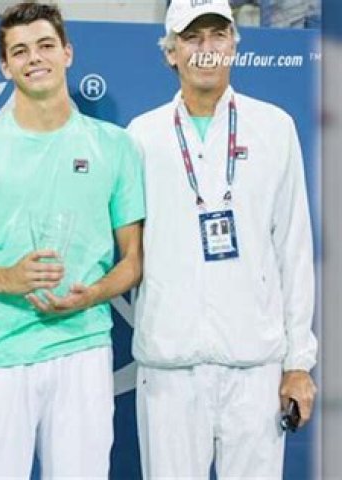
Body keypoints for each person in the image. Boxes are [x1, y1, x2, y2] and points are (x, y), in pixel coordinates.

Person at [0, 3, 145, 478]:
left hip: (83, 348)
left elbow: (133, 260)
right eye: (20, 50)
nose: (35, 57)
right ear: (4, 65)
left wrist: (93, 293)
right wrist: (7, 279)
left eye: (46, 45)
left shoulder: (115, 146)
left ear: (67, 53)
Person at [128, 0, 318, 478]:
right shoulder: (141, 136)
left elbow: (293, 250)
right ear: (170, 52)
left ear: (235, 43)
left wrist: (298, 362)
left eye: (217, 35)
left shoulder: (274, 128)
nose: (206, 48)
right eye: (192, 38)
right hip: (169, 367)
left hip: (254, 365)